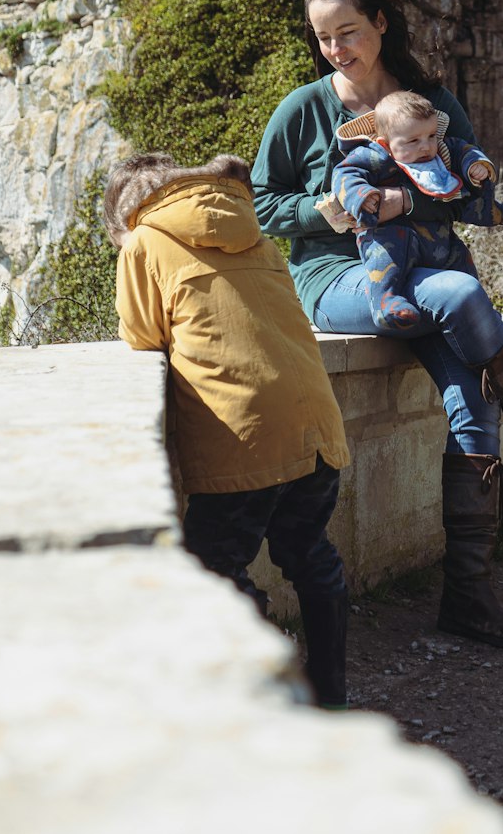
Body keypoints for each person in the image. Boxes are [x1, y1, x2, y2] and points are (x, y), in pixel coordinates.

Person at [251, 0, 503, 654]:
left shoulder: (432, 103)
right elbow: (263, 205)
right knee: (465, 294)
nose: (335, 49)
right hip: (338, 279)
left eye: (347, 32)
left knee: (475, 402)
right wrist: (330, 210)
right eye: (322, 38)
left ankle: (470, 596)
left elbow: (475, 194)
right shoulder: (305, 109)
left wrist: (420, 197)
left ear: (381, 23)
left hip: (430, 270)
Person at [104, 150, 351, 709]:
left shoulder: (144, 241)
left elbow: (142, 336)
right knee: (309, 553)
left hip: (244, 432)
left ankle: (265, 694)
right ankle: (331, 696)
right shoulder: (255, 231)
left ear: (123, 214)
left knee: (213, 568)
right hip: (315, 423)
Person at [329, 88, 503, 329]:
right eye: (413, 141)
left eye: (431, 135)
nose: (426, 147)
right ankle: (386, 302)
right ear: (386, 144)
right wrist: (361, 195)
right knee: (385, 260)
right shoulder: (375, 156)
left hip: (438, 238)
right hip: (391, 236)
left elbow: (462, 149)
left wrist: (475, 165)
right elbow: (345, 173)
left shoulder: (441, 154)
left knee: (461, 260)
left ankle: (480, 310)